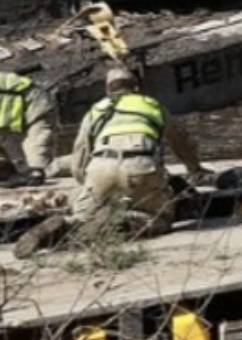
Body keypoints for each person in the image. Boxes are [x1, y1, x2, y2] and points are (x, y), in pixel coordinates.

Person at [69, 64, 209, 236]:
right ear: (136, 87)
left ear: (107, 89)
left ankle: (68, 225)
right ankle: (131, 221)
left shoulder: (95, 110)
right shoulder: (151, 105)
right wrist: (194, 168)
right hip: (141, 167)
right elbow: (181, 141)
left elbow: (79, 157)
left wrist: (88, 184)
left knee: (82, 218)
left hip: (101, 167)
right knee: (162, 217)